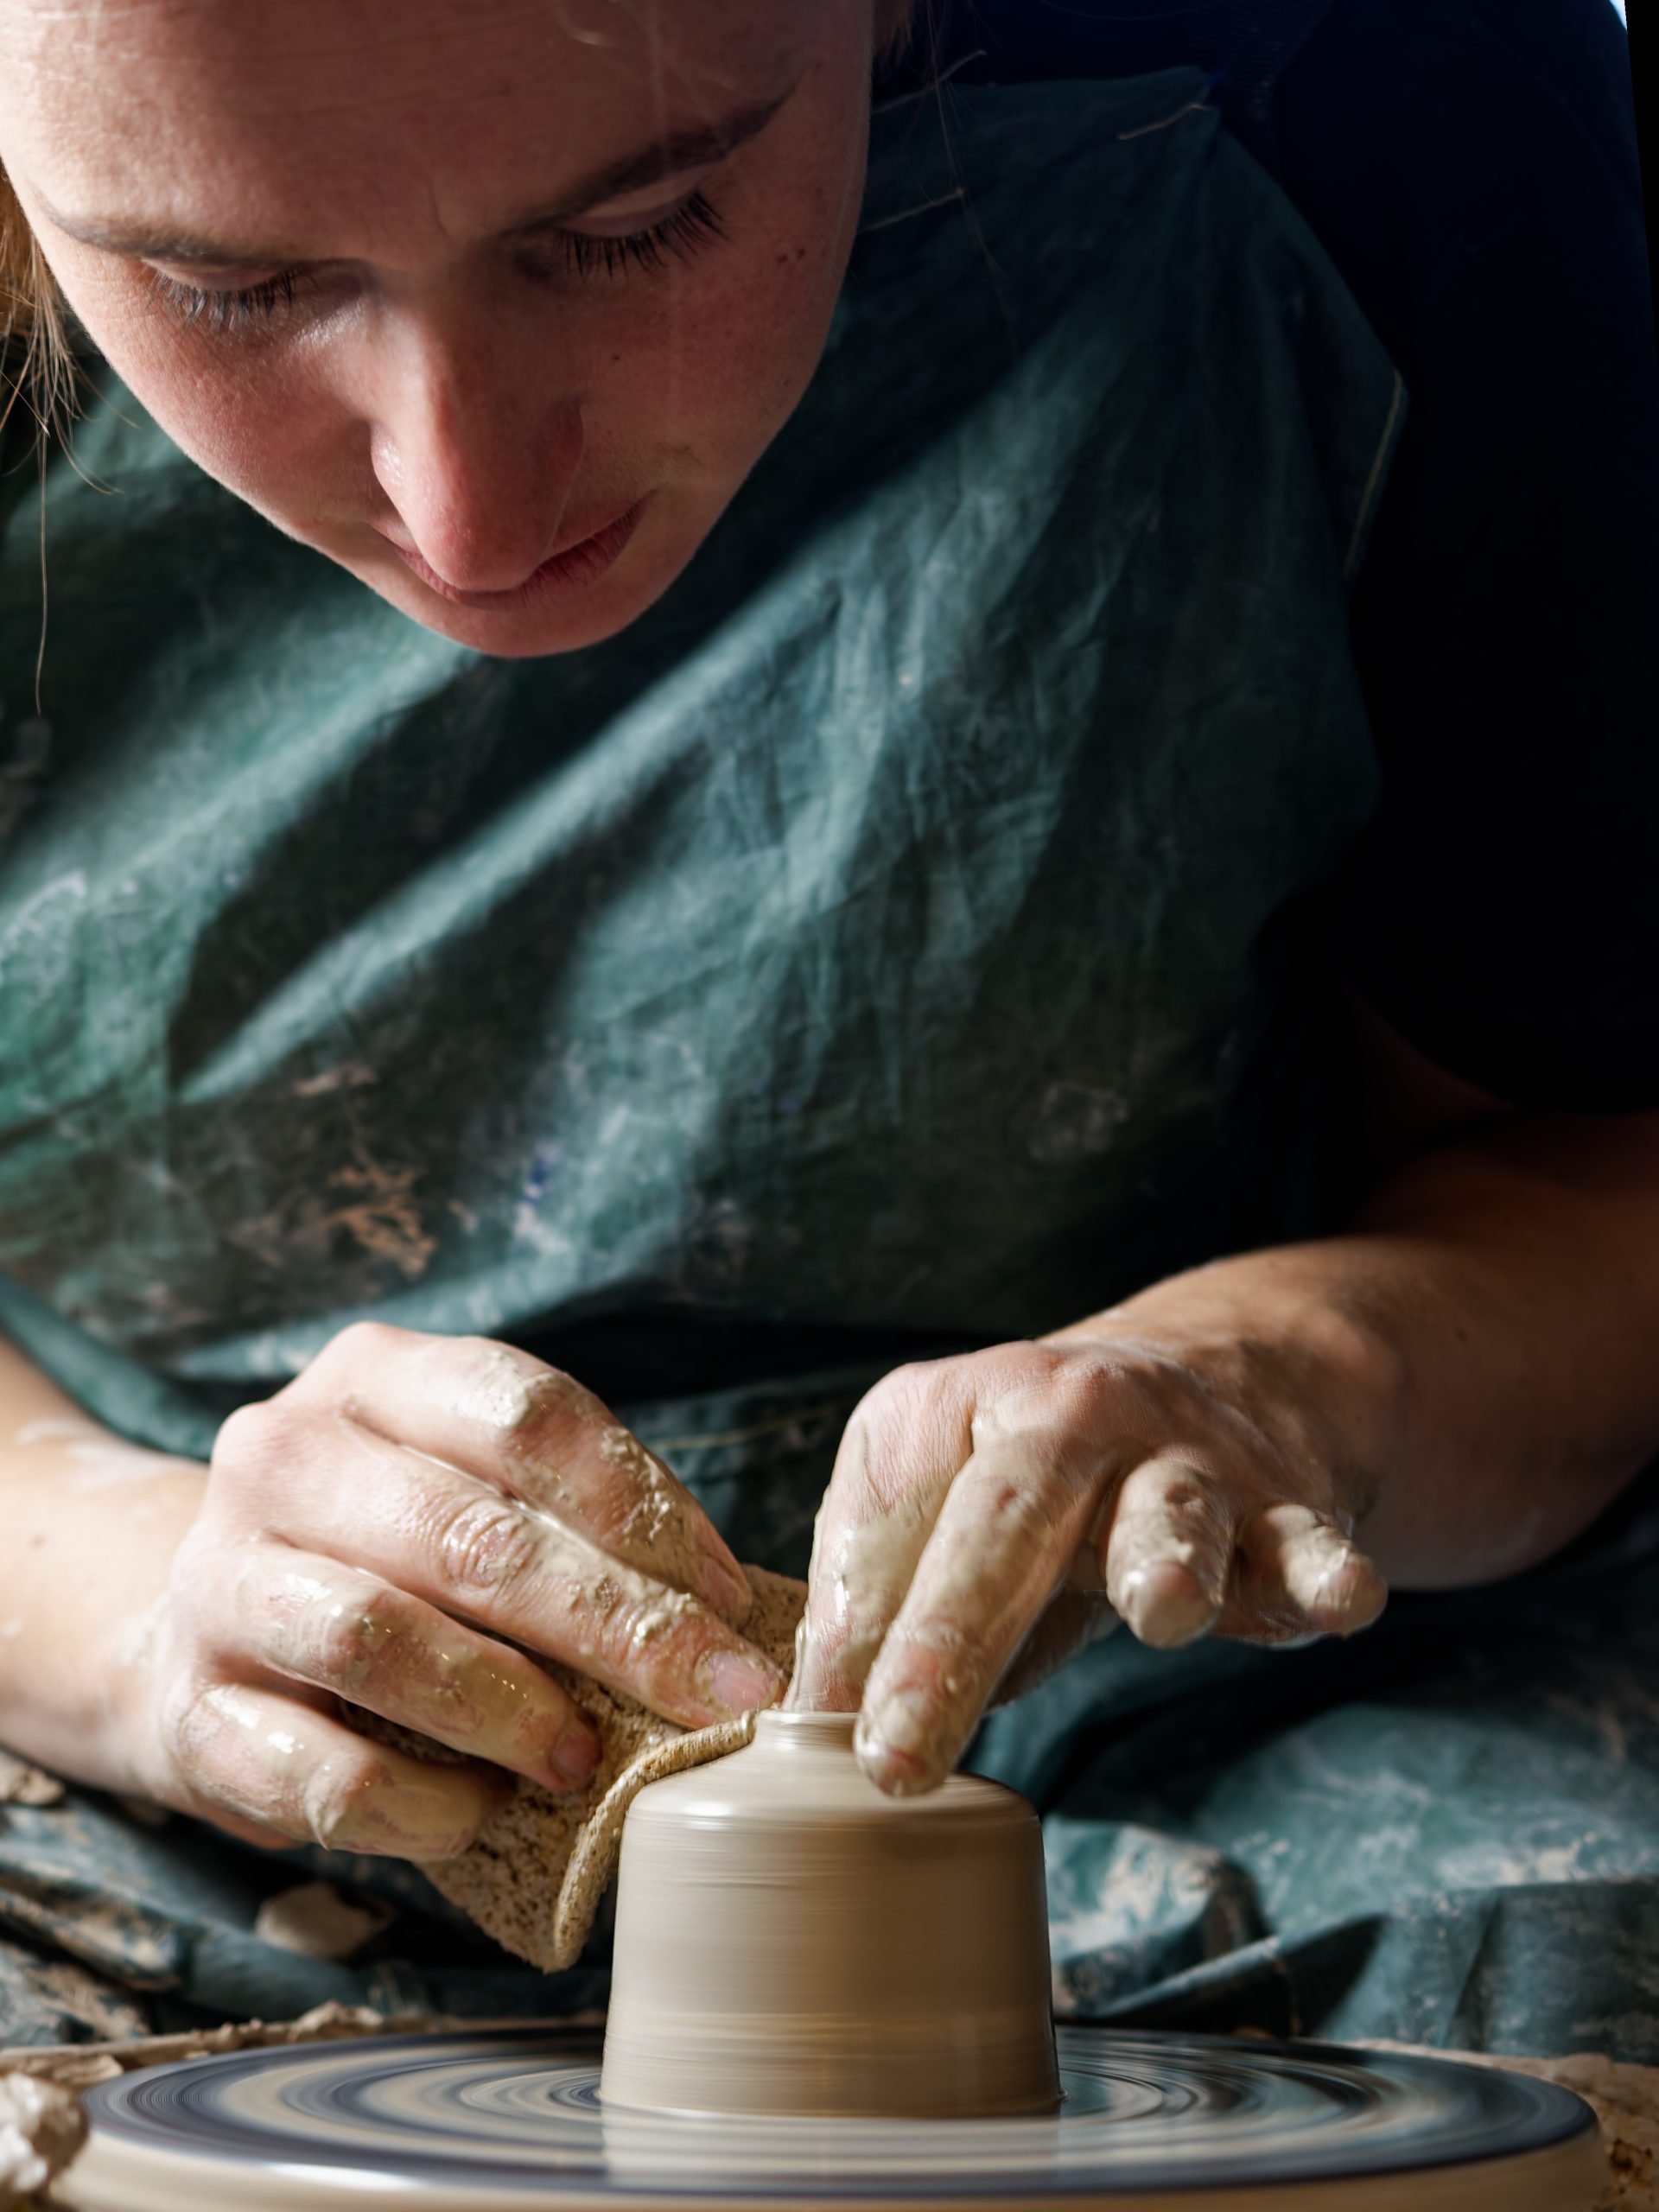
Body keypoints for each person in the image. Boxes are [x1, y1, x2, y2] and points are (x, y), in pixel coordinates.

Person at [0, 0, 1655, 2049]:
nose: (471, 511)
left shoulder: (1372, 84)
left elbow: (1584, 1168)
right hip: (147, 1661)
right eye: (231, 284)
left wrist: (1285, 1374)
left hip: (1241, 1702)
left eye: (641, 223)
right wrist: (129, 1596)